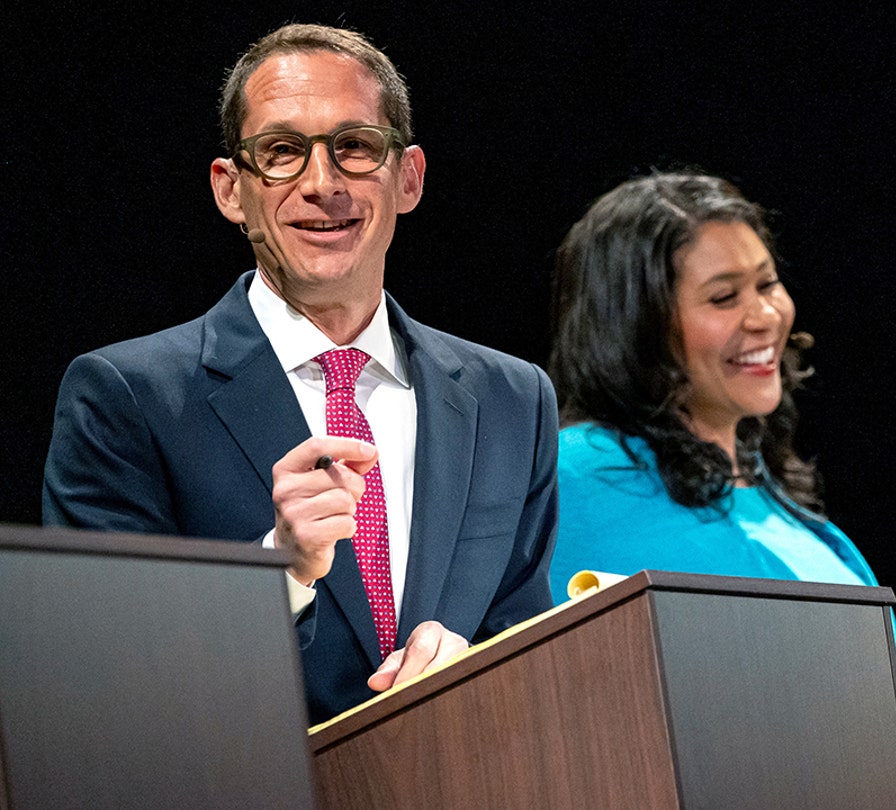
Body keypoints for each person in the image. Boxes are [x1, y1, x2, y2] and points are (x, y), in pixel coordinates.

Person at [41, 23, 558, 723]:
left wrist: (475, 663)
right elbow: (95, 668)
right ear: (231, 190)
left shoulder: (513, 399)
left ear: (408, 178)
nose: (323, 184)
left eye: (355, 147)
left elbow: (526, 638)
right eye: (281, 152)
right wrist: (276, 570)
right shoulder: (126, 397)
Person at [545, 172, 878, 600]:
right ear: (635, 325)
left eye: (767, 284)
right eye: (724, 298)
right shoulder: (574, 482)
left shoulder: (767, 486)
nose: (765, 317)